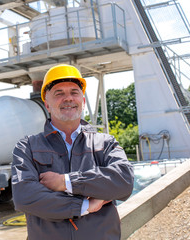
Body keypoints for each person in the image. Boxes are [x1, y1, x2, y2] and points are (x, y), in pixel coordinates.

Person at [11, 64, 134, 240]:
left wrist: (66, 182)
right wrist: (85, 205)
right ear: (47, 104)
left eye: (74, 92)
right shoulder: (27, 147)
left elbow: (124, 181)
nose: (68, 98)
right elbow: (25, 196)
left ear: (82, 101)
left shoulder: (105, 143)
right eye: (59, 93)